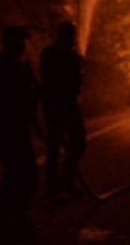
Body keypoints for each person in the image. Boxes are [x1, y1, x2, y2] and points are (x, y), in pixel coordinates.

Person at [0, 27, 40, 235]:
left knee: (16, 173)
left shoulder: (3, 66)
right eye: (21, 42)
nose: (24, 46)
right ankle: (11, 221)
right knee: (24, 174)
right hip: (8, 127)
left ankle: (5, 219)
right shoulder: (10, 68)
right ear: (13, 43)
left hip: (5, 126)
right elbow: (21, 101)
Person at [40, 20, 86, 195]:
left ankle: (55, 184)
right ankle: (65, 182)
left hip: (52, 106)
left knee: (55, 146)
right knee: (77, 144)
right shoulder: (69, 57)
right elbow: (75, 85)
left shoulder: (48, 54)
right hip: (66, 106)